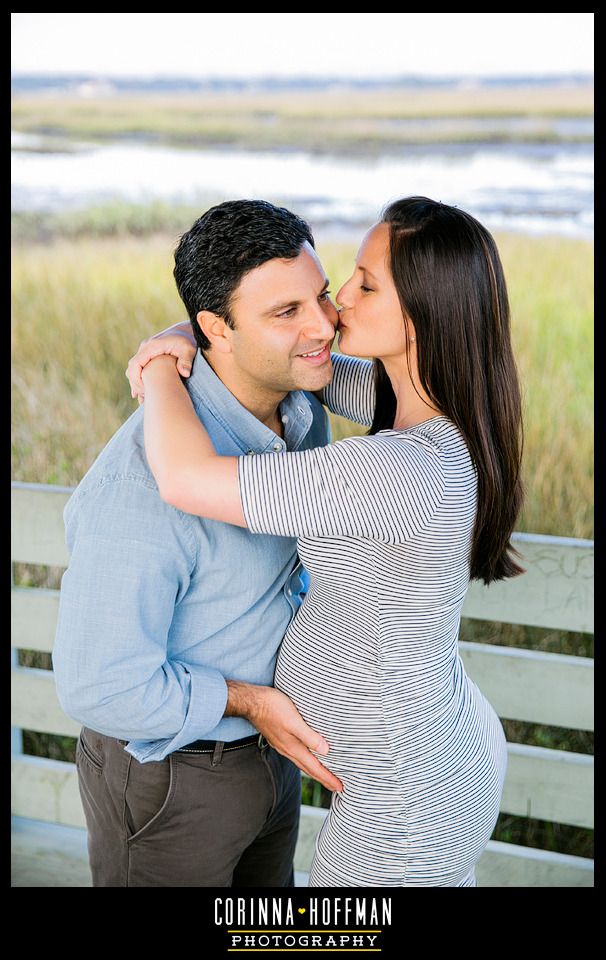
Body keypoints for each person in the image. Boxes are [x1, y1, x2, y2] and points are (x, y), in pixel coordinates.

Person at [127, 195, 524, 888]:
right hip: (436, 746)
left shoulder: (401, 469)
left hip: (403, 795)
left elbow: (185, 478)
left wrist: (157, 367)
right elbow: (281, 357)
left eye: (366, 284)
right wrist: (195, 328)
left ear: (421, 316)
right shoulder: (427, 402)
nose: (338, 298)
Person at [52, 199, 346, 889]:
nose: (323, 325)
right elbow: (99, 684)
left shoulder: (303, 411)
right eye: (286, 312)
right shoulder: (140, 491)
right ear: (217, 328)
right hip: (171, 781)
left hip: (270, 761)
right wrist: (249, 700)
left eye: (322, 295)